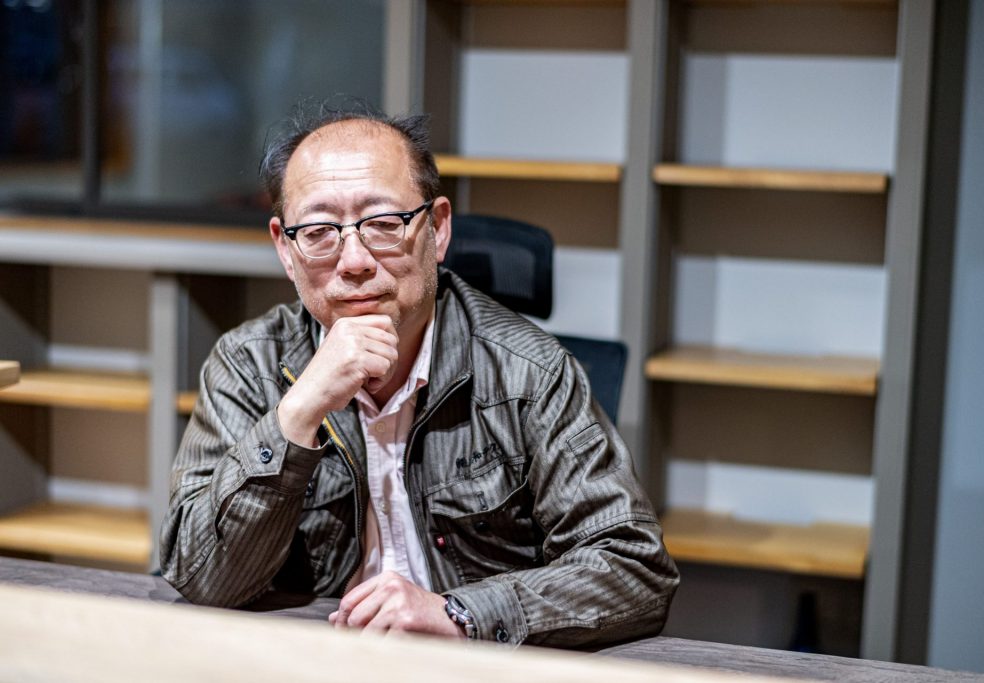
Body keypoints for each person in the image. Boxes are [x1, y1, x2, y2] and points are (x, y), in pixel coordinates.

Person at [159, 99, 679, 647]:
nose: (354, 261)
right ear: (286, 251)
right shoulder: (249, 365)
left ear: (438, 227)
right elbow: (201, 577)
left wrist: (459, 615)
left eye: (384, 224)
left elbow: (634, 569)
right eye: (317, 231)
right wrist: (298, 412)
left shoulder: (530, 372)